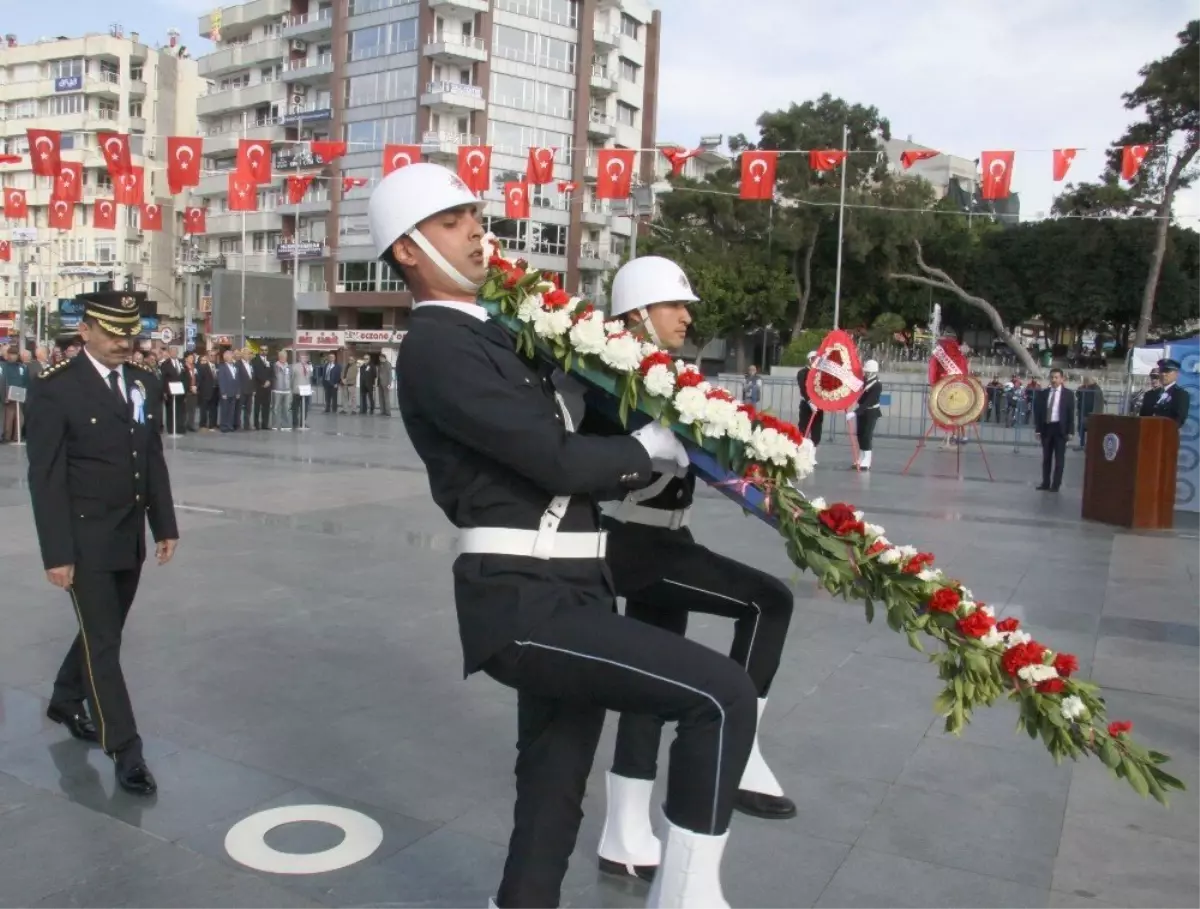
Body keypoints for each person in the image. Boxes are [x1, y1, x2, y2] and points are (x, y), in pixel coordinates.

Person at [372, 163, 757, 909]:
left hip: (575, 591)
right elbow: (550, 457)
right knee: (720, 695)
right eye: (453, 222)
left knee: (553, 789)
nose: (478, 231)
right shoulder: (437, 347)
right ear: (409, 251)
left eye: (474, 216)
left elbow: (585, 413)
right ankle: (686, 897)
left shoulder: (502, 337)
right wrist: (649, 451)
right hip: (522, 601)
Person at [590, 256, 797, 885]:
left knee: (652, 684)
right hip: (633, 547)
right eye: (673, 307)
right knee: (767, 602)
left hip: (667, 544)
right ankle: (745, 751)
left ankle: (623, 829)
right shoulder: (610, 377)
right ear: (636, 316)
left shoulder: (667, 376)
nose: (687, 317)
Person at [24, 291, 179, 796]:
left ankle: (66, 696)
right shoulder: (56, 388)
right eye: (112, 332)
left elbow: (150, 456)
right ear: (85, 329)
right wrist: (57, 553)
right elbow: (44, 478)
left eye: (128, 333)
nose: (122, 342)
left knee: (101, 630)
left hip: (127, 533)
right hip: (85, 537)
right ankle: (125, 750)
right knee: (106, 645)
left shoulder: (142, 380)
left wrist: (165, 524)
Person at [1033, 367, 1074, 492]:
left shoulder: (1068, 394)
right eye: (1052, 377)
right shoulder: (1043, 394)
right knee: (1046, 458)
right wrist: (1038, 429)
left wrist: (1071, 431)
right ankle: (1045, 482)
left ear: (1062, 379)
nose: (1054, 380)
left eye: (1056, 377)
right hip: (1047, 428)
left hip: (1060, 429)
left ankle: (1056, 485)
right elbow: (1039, 413)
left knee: (1059, 459)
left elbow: (1071, 413)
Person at [847, 359, 882, 471]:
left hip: (871, 412)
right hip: (862, 412)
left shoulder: (877, 385)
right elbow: (860, 398)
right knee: (860, 434)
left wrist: (855, 412)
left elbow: (869, 401)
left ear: (873, 372)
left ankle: (867, 459)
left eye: (867, 371)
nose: (865, 373)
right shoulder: (864, 381)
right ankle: (861, 457)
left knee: (867, 435)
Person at [1148, 358, 1190, 426]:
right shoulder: (1150, 394)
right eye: (1161, 371)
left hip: (1166, 434)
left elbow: (1179, 420)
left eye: (1167, 371)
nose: (1163, 374)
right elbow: (1143, 415)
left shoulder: (1180, 395)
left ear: (1176, 374)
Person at [796, 350, 823, 446]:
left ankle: (812, 454)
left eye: (817, 359)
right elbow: (803, 389)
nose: (815, 361)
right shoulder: (802, 372)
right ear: (809, 360)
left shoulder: (821, 373)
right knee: (803, 429)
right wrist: (810, 401)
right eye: (813, 359)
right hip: (806, 404)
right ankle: (802, 453)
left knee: (816, 432)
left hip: (819, 405)